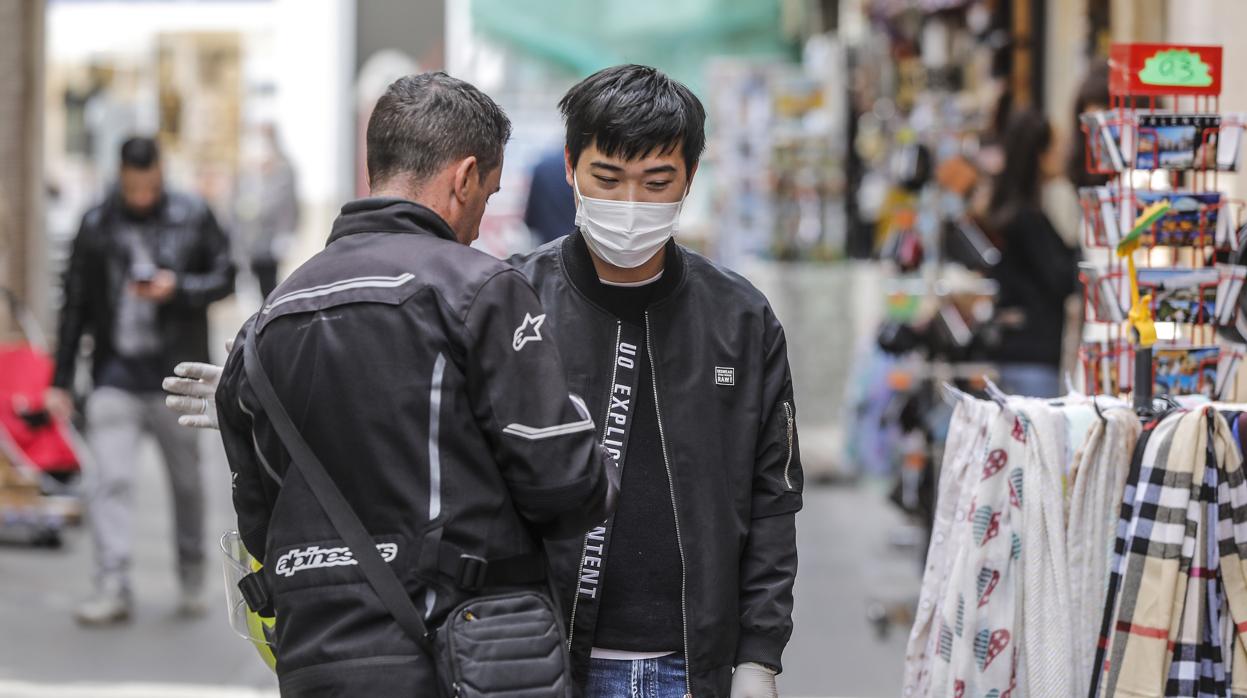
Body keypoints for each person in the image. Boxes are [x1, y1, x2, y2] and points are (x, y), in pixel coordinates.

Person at [167, 65, 802, 698]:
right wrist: (290, 382)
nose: (630, 205)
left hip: (697, 666)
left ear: (690, 176)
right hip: (539, 659)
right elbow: (415, 427)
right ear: (569, 168)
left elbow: (771, 498)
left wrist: (759, 656)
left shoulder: (741, 320)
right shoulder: (510, 297)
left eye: (656, 182)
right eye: (607, 179)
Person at [209, 72, 616, 695]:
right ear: (463, 176)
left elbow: (259, 520)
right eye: (488, 192)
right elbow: (563, 483)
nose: (480, 221)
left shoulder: (267, 321)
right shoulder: (479, 289)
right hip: (462, 653)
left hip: (314, 655)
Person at [48, 136, 234, 625]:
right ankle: (112, 584)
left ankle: (192, 576)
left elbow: (226, 276)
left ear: (160, 174)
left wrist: (179, 288)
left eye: (148, 187)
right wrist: (61, 379)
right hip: (115, 374)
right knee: (110, 480)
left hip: (177, 376)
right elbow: (75, 305)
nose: (141, 198)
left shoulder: (194, 213)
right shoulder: (96, 224)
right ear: (120, 177)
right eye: (132, 188)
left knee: (188, 484)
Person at [985, 109, 1079, 398]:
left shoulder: (1019, 213)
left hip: (1024, 356)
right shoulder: (1025, 219)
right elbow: (1062, 278)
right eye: (1058, 147)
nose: (1065, 154)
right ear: (1040, 154)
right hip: (1032, 360)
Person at [234, 123, 299, 298]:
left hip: (269, 241)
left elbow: (288, 205)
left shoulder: (283, 171)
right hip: (248, 240)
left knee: (268, 284)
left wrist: (286, 235)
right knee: (248, 286)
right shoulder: (246, 176)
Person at [523, 148, 576, 245]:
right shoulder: (587, 169)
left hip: (549, 248)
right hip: (583, 247)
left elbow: (531, 220)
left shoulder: (543, 167)